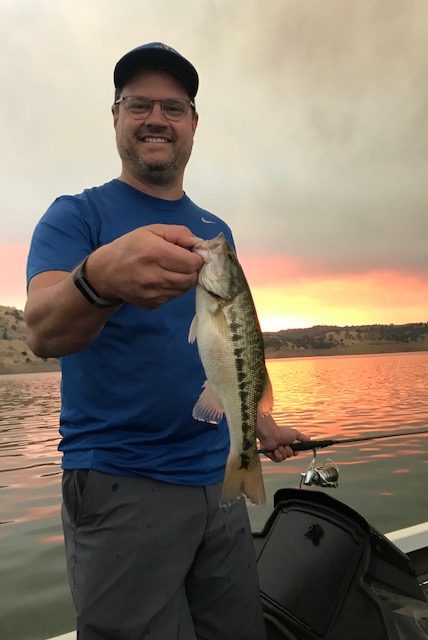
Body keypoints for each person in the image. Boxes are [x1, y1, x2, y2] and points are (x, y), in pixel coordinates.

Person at [25, 42, 309, 640]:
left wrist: (261, 425)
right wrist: (99, 278)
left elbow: (234, 344)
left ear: (193, 124)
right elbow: (41, 331)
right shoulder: (76, 216)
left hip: (218, 479)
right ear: (116, 116)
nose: (157, 119)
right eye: (140, 105)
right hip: (120, 484)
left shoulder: (214, 232)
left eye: (174, 108)